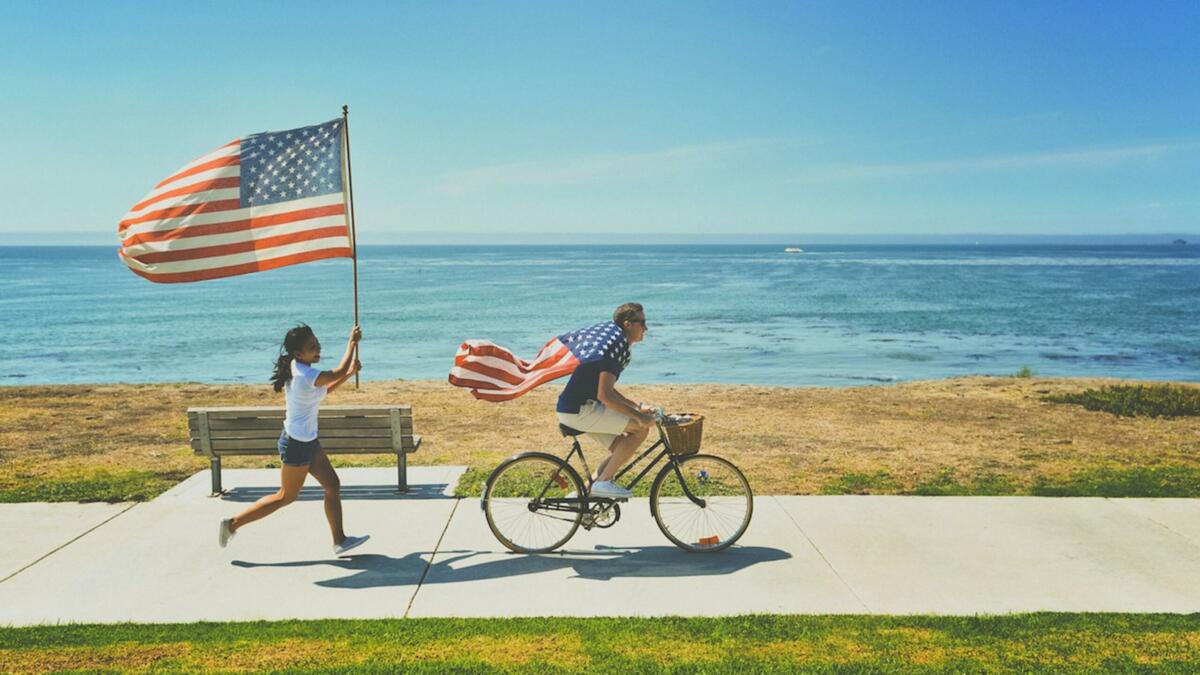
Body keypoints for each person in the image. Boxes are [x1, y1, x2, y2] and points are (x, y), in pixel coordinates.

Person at [218, 323, 369, 556]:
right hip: (296, 444)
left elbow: (325, 389)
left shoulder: (299, 367)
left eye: (317, 343)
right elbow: (336, 372)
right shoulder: (305, 374)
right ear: (298, 353)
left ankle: (339, 540)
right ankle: (232, 524)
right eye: (312, 347)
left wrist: (349, 374)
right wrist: (351, 343)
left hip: (308, 441)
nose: (318, 348)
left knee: (332, 485)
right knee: (285, 497)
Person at [555, 303, 655, 499]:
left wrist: (637, 407)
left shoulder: (615, 344)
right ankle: (602, 483)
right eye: (642, 322)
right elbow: (605, 397)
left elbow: (608, 392)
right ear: (628, 324)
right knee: (640, 430)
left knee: (621, 448)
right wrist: (639, 417)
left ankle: (582, 496)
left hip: (577, 408)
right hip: (579, 411)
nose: (646, 328)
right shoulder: (613, 348)